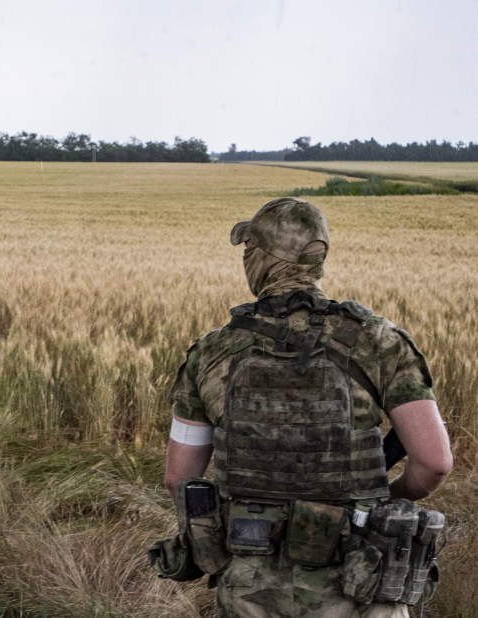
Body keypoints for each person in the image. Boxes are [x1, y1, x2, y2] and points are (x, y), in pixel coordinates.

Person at [164, 198, 453, 618]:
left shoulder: (213, 352)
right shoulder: (379, 342)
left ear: (263, 258)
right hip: (360, 583)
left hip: (250, 584)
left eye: (248, 249)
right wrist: (379, 503)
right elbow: (433, 462)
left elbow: (180, 479)